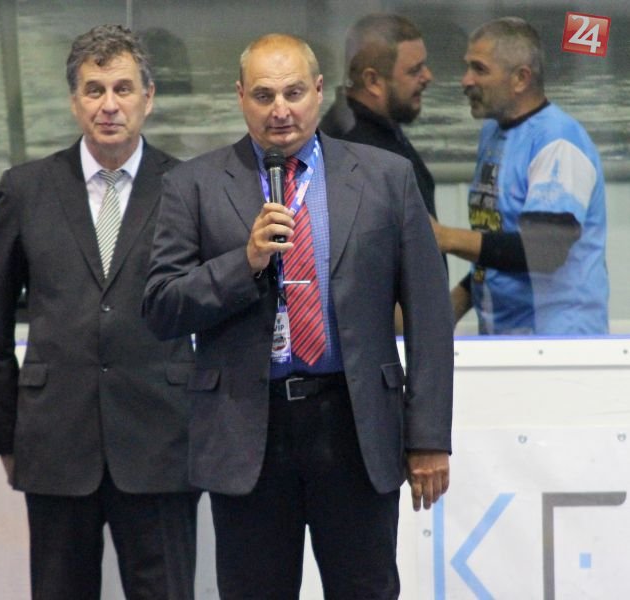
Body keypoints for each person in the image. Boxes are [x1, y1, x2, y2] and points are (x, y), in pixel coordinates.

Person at [144, 33, 453, 598]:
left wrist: (429, 437)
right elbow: (162, 307)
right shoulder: (193, 184)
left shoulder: (386, 177)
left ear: (318, 91)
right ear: (240, 96)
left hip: (354, 425)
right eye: (264, 95)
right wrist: (244, 262)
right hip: (247, 431)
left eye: (293, 93)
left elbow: (430, 317)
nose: (280, 110)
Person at [0, 24, 197, 600]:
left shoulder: (189, 186)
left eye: (123, 89)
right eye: (94, 90)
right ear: (75, 101)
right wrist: (6, 436)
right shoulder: (25, 189)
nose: (109, 105)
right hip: (54, 443)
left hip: (162, 441)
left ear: (149, 97)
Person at [432, 17, 608, 334]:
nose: (465, 81)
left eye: (479, 69)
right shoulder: (493, 133)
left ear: (520, 79)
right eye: (467, 67)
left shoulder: (558, 142)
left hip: (557, 341)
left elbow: (544, 250)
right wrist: (452, 307)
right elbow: (499, 240)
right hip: (505, 337)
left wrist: (445, 238)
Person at [320, 13, 436, 219]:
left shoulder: (376, 126)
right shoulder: (356, 153)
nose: (428, 77)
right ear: (373, 81)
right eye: (414, 70)